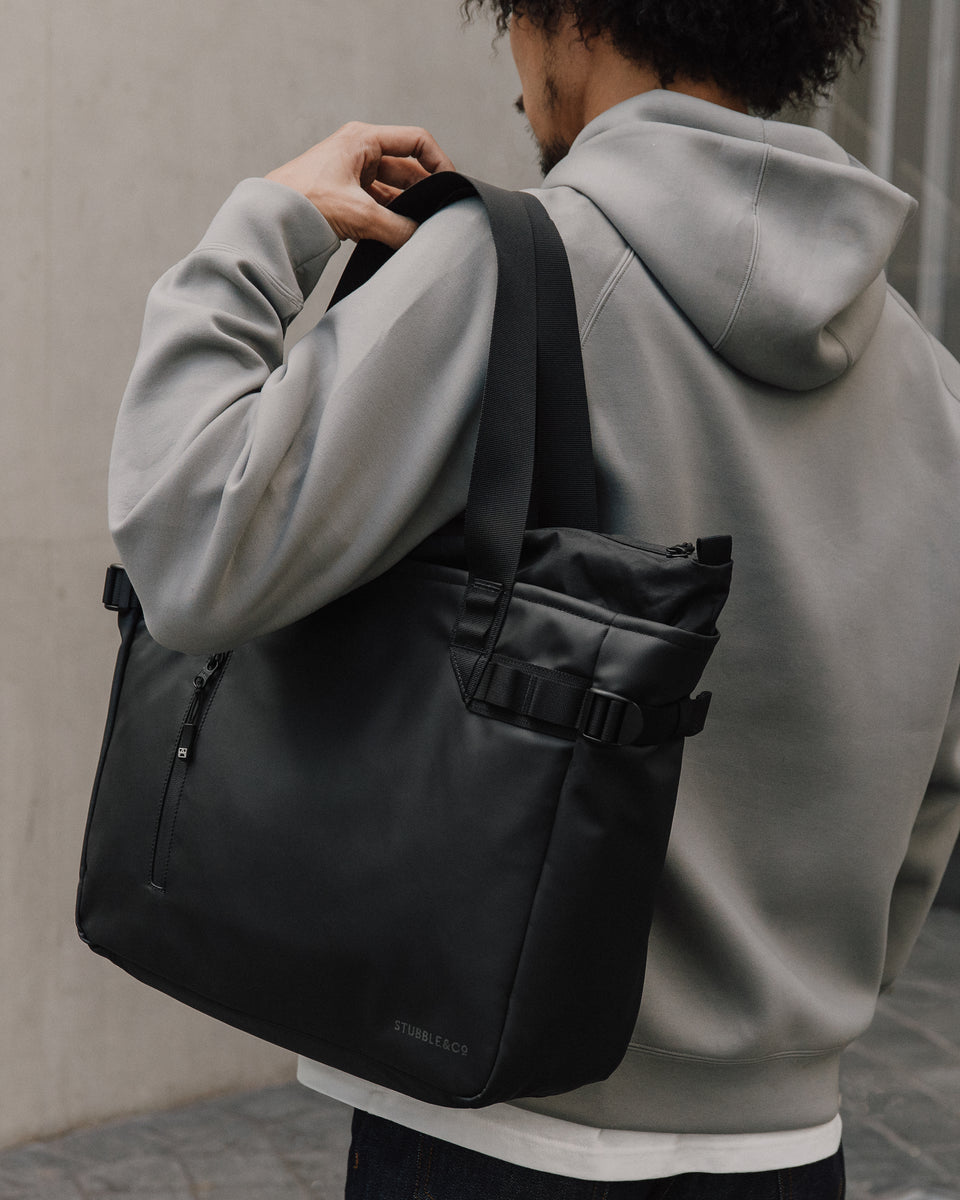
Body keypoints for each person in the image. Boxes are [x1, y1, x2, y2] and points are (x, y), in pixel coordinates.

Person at [108, 1, 960, 1196]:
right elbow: (934, 787)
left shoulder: (512, 268)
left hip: (502, 1128)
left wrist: (268, 227)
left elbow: (190, 553)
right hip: (786, 1145)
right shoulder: (931, 382)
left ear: (570, 15)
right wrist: (787, 1014)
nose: (514, 67)